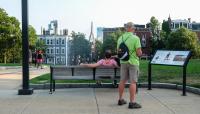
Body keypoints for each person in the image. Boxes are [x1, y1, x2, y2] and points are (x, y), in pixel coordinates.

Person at [117, 22, 142, 109]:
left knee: (122, 81)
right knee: (133, 82)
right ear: (131, 28)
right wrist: (139, 53)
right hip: (133, 62)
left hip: (123, 61)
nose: (134, 29)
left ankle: (120, 99)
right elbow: (139, 53)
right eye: (134, 28)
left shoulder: (120, 38)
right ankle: (132, 102)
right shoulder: (135, 38)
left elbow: (118, 51)